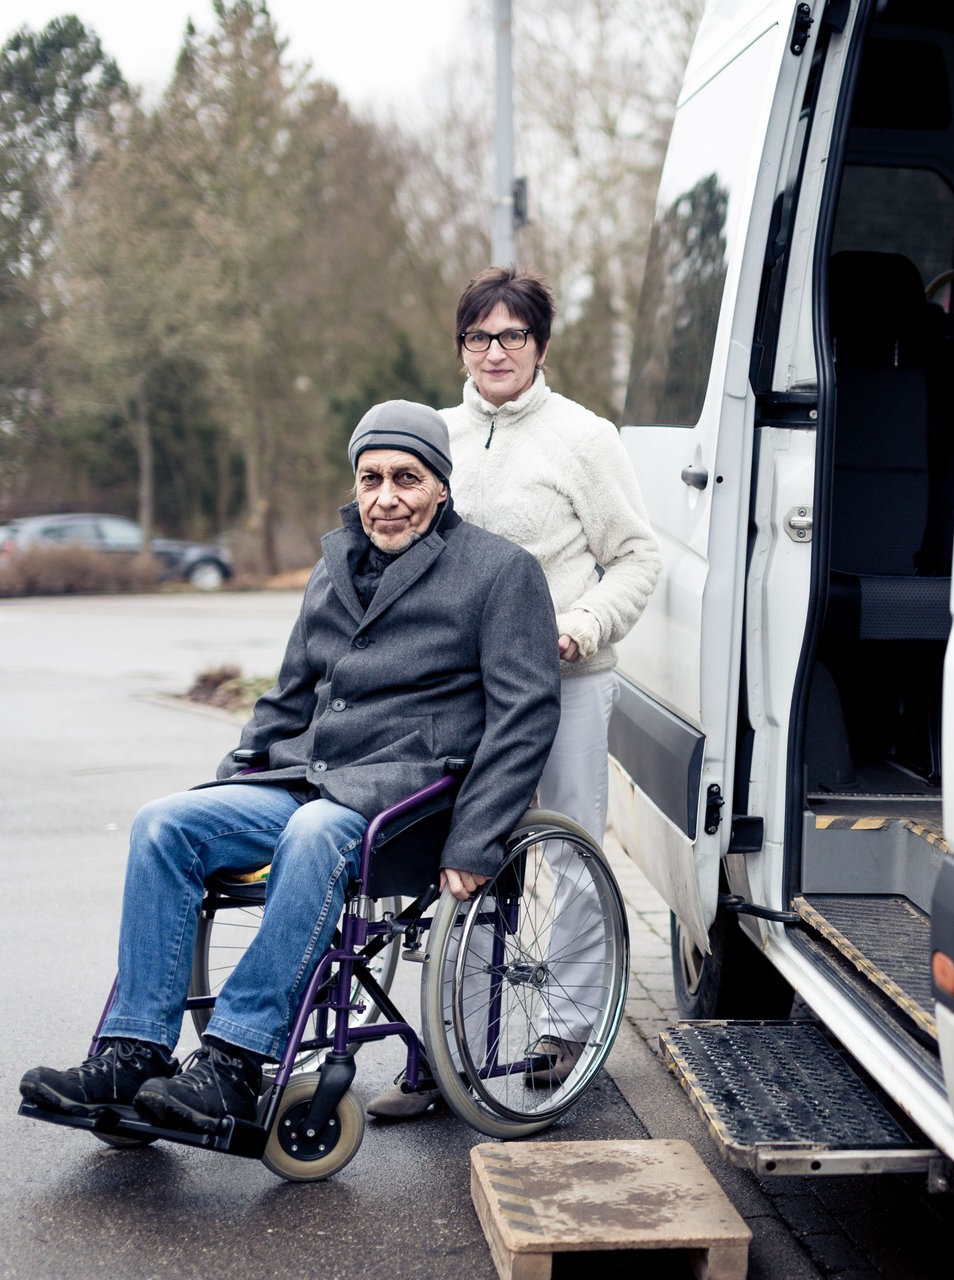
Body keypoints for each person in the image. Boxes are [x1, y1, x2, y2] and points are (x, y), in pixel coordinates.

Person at [20, 402, 562, 1132]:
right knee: (165, 824)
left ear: (440, 487)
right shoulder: (333, 564)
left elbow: (524, 716)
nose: (386, 497)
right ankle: (134, 1051)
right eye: (371, 478)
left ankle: (235, 1063)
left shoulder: (501, 572)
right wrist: (233, 776)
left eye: (407, 477)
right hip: (309, 781)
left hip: (413, 805)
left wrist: (476, 840)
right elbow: (289, 697)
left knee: (315, 833)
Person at [367, 267, 660, 1117]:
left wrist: (582, 625)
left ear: (539, 344)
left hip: (563, 681)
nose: (494, 351)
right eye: (477, 337)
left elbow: (637, 557)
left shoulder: (584, 438)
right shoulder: (438, 434)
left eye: (511, 336)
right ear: (460, 345)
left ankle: (567, 1032)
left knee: (565, 854)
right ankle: (446, 1056)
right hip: (459, 690)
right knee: (458, 859)